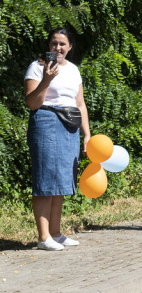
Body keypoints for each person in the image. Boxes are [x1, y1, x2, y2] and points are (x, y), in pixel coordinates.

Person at [23, 28, 92, 251]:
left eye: (63, 44)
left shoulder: (73, 70)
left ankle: (55, 233)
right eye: (54, 43)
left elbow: (80, 104)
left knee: (62, 179)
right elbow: (32, 103)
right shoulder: (37, 67)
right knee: (46, 178)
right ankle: (43, 238)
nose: (58, 48)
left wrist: (87, 134)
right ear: (48, 45)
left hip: (70, 124)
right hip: (46, 120)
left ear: (70, 47)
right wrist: (46, 79)